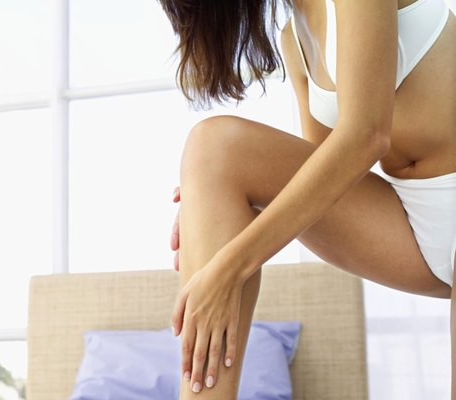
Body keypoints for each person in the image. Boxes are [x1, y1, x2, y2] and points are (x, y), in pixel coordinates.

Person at [159, 0, 456, 398]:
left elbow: (365, 136)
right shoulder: (294, 39)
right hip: (413, 225)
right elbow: (322, 181)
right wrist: (205, 195)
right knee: (212, 150)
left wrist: (228, 267)